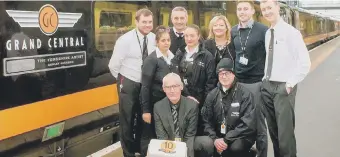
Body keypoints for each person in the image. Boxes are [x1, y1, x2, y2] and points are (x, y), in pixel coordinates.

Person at [260, 0, 311, 157]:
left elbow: (304, 63)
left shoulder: (291, 33)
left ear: (277, 7)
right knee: (274, 134)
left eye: (269, 7)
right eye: (263, 9)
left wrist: (289, 84)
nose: (267, 11)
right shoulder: (268, 33)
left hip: (283, 87)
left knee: (285, 136)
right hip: (267, 86)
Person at [108, 8, 156, 157]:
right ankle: (128, 153)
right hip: (128, 83)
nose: (147, 25)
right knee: (127, 121)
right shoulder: (125, 40)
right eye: (144, 22)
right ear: (136, 22)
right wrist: (123, 81)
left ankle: (142, 151)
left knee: (144, 120)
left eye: (150, 22)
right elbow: (113, 65)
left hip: (146, 84)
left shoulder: (154, 38)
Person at [194, 58, 257, 157]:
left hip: (240, 136)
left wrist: (227, 139)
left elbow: (248, 124)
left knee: (235, 148)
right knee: (207, 145)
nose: (224, 76)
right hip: (219, 136)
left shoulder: (245, 94)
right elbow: (206, 121)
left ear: (233, 74)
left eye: (227, 73)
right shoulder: (212, 95)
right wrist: (215, 139)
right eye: (221, 73)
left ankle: (249, 153)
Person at [230, 1, 269, 156]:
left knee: (259, 124)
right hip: (238, 84)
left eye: (246, 9)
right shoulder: (233, 31)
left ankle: (262, 154)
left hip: (257, 83)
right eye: (239, 9)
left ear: (253, 11)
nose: (242, 12)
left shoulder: (263, 30)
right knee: (239, 121)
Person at [140, 26, 176, 156]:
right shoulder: (151, 60)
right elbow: (145, 86)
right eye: (163, 40)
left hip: (168, 105)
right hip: (155, 105)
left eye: (168, 40)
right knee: (151, 136)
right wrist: (146, 111)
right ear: (157, 42)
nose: (166, 43)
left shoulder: (172, 57)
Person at [153, 73, 199, 157]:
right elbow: (161, 136)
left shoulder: (192, 105)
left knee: (205, 142)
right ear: (164, 89)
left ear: (181, 86)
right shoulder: (158, 107)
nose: (172, 90)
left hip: (186, 140)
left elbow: (190, 135)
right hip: (169, 142)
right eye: (168, 87)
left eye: (175, 86)